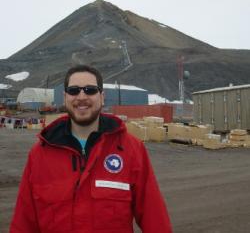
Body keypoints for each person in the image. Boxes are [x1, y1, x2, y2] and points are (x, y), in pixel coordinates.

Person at [10, 64, 172, 233]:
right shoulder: (39, 155)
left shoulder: (132, 150)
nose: (81, 96)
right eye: (74, 90)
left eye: (90, 90)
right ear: (65, 97)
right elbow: (23, 224)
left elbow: (155, 220)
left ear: (102, 97)